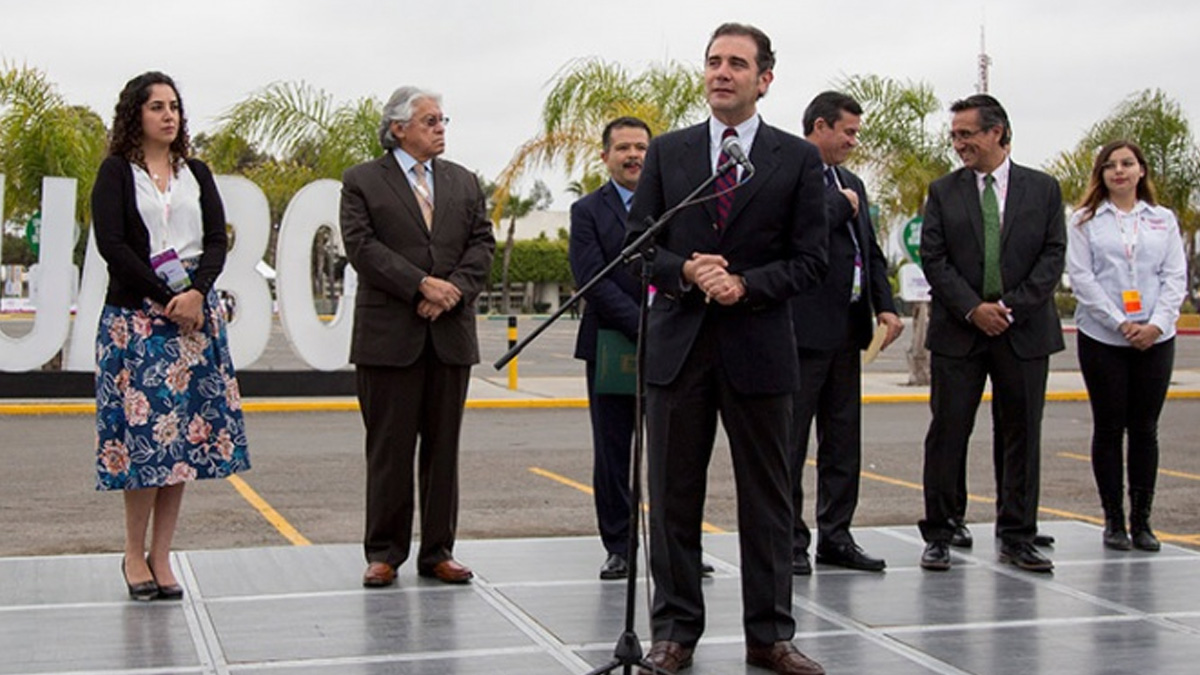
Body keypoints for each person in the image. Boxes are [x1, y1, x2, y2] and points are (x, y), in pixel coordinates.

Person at [627, 22, 828, 675]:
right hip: (679, 348)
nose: (721, 72)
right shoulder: (671, 153)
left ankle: (770, 635)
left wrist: (744, 283)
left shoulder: (796, 159)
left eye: (737, 63)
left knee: (769, 498)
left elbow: (812, 261)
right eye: (714, 61)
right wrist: (686, 270)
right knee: (674, 495)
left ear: (764, 78)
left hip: (759, 347)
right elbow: (638, 251)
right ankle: (674, 632)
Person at [92, 72, 250, 601]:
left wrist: (197, 294)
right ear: (135, 113)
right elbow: (112, 244)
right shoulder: (116, 173)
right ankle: (132, 555)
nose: (169, 115)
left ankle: (163, 556)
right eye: (157, 106)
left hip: (193, 321)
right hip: (138, 321)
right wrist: (166, 298)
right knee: (145, 445)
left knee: (179, 443)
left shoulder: (196, 173)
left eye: (175, 106)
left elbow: (214, 241)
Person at [339, 87, 495, 588]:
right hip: (389, 337)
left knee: (443, 449)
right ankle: (384, 552)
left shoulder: (464, 182)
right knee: (389, 449)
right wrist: (418, 286)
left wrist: (451, 292)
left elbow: (481, 244)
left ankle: (438, 551)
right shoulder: (362, 181)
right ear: (398, 128)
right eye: (429, 120)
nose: (440, 127)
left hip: (449, 335)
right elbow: (362, 247)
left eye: (442, 119)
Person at [917, 94, 1066, 574]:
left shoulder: (1043, 190)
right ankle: (941, 529)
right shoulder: (943, 192)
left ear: (997, 132)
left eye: (967, 134)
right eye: (955, 135)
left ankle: (1017, 534)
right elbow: (934, 259)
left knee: (1021, 433)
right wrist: (972, 309)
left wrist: (1009, 308)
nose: (959, 144)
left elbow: (1052, 256)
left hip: (1022, 332)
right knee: (948, 431)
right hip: (960, 333)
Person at [790, 92, 903, 575]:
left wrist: (887, 307)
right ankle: (790, 541)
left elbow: (870, 252)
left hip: (847, 332)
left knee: (842, 443)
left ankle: (835, 535)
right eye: (848, 132)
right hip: (800, 334)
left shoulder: (851, 181)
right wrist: (837, 207)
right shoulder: (789, 172)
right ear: (819, 126)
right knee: (789, 445)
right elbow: (794, 233)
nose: (854, 142)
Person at [1066, 140, 1187, 552]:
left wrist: (1155, 324)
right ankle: (1113, 519)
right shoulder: (1084, 221)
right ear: (1100, 174)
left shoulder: (1162, 220)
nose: (1119, 171)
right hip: (1104, 337)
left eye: (1127, 164)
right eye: (1110, 166)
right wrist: (1120, 322)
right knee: (1109, 426)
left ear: (1141, 171)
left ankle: (1143, 520)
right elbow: (1082, 279)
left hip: (1155, 338)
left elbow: (1174, 277)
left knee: (1145, 429)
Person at [569, 117, 649, 580]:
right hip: (611, 344)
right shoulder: (587, 211)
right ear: (606, 156)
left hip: (671, 342)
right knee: (614, 451)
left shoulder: (673, 204)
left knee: (674, 452)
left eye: (640, 147)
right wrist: (642, 324)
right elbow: (591, 280)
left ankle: (678, 547)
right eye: (623, 148)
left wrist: (663, 323)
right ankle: (619, 545)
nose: (633, 155)